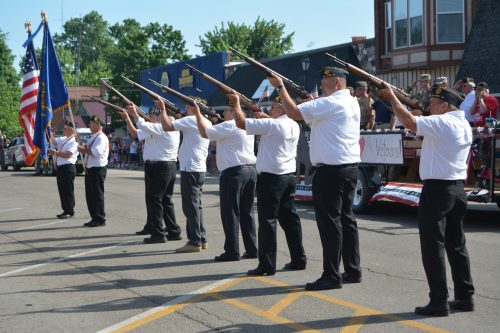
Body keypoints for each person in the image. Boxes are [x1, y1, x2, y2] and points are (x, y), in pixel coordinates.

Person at [379, 84, 475, 316]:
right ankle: (464, 297)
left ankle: (438, 301)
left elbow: (411, 123)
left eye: (433, 103)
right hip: (457, 189)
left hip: (438, 191)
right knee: (457, 245)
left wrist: (393, 98)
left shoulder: (444, 122)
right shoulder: (462, 122)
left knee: (433, 248)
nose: (429, 106)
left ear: (445, 105)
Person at [268, 67, 361, 291]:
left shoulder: (329, 103)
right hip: (349, 168)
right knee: (347, 221)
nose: (322, 85)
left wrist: (281, 86)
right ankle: (352, 269)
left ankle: (331, 275)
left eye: (326, 81)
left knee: (330, 224)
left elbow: (292, 112)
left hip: (331, 171)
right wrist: (312, 103)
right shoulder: (351, 101)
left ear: (337, 82)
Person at [233, 93, 307, 276]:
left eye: (273, 107)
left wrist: (236, 104)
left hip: (271, 179)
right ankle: (299, 259)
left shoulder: (272, 125)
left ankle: (266, 265)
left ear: (282, 108)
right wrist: (267, 117)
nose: (269, 110)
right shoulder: (293, 124)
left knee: (267, 222)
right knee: (290, 221)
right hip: (288, 177)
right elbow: (275, 123)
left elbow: (241, 123)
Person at [192, 99, 258, 262]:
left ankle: (232, 251)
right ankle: (252, 248)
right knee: (247, 212)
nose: (224, 113)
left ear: (236, 111)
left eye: (228, 110)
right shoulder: (247, 124)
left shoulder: (229, 125)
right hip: (250, 171)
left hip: (233, 173)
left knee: (230, 214)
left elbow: (204, 133)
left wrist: (198, 114)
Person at [121, 105, 183, 244]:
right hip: (158, 165)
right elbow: (135, 134)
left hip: (162, 165)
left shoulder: (163, 127)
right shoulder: (158, 127)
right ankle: (173, 230)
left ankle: (158, 233)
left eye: (154, 116)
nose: (151, 119)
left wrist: (135, 114)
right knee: (164, 200)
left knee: (156, 199)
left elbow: (142, 124)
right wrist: (128, 118)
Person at [159, 97, 210, 253]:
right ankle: (201, 238)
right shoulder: (205, 121)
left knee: (191, 207)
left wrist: (162, 109)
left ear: (193, 108)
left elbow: (167, 126)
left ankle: (194, 241)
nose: (185, 109)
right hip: (198, 167)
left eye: (187, 106)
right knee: (197, 206)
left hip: (191, 168)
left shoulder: (191, 120)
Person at [77, 115, 109, 227]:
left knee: (96, 195)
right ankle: (94, 217)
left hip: (97, 169)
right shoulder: (93, 137)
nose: (90, 125)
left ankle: (100, 218)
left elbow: (96, 152)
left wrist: (83, 150)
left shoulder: (101, 137)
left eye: (92, 124)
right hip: (91, 169)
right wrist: (81, 144)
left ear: (98, 125)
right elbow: (87, 147)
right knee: (90, 195)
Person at [48, 121, 79, 219]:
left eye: (65, 128)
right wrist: (47, 128)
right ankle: (65, 209)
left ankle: (70, 210)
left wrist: (56, 153)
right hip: (61, 168)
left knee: (67, 190)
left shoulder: (74, 141)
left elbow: (68, 154)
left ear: (71, 130)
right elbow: (52, 141)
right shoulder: (64, 139)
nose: (63, 130)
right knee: (62, 190)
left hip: (68, 168)